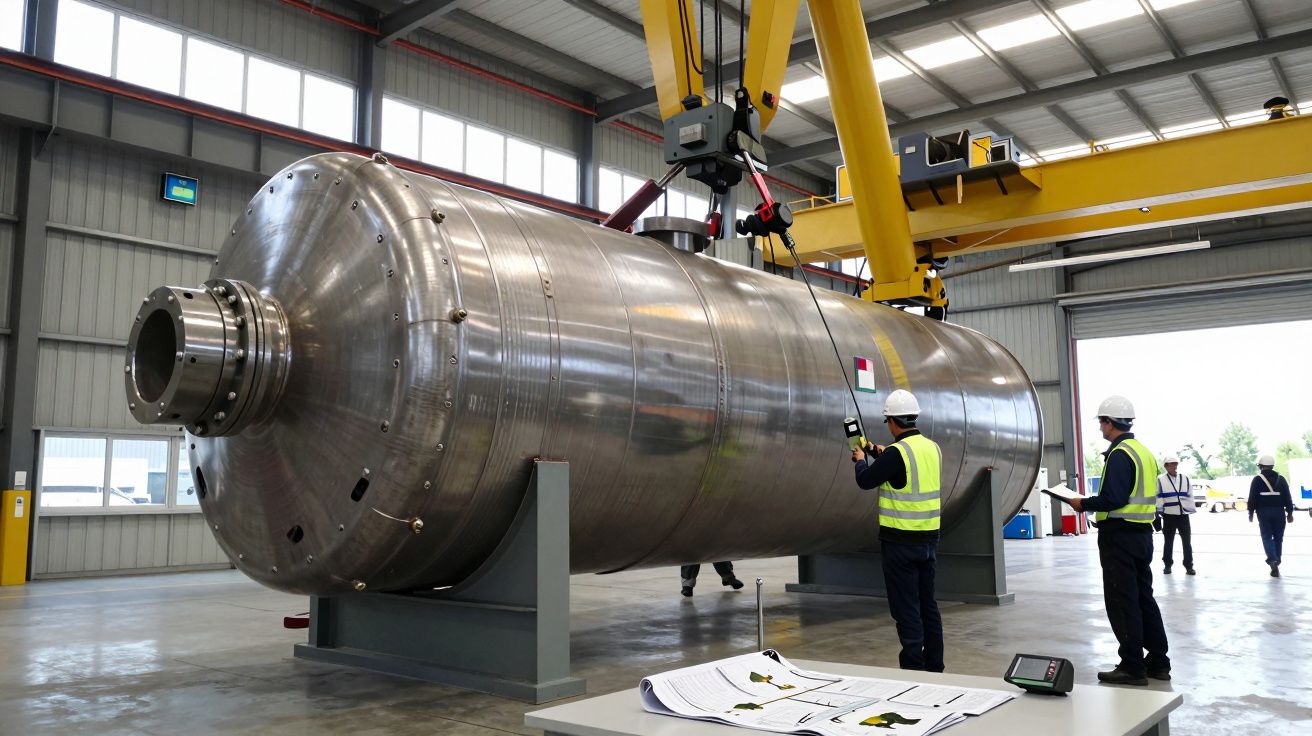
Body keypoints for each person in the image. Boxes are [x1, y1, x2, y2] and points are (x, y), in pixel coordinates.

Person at [1068, 395, 1169, 686]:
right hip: (1142, 534)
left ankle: (1132, 666)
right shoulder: (1143, 452)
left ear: (1109, 423)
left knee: (1122, 600)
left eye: (1102, 423)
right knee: (1143, 598)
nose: (1100, 428)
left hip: (1120, 537)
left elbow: (1114, 498)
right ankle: (1158, 662)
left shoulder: (1120, 454)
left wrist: (1082, 504)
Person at [852, 389, 944, 672]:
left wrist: (860, 459)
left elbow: (866, 480)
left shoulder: (896, 453)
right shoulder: (932, 448)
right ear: (913, 418)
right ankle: (935, 666)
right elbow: (902, 468)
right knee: (928, 606)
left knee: (906, 609)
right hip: (929, 541)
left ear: (892, 422)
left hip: (900, 544)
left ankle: (913, 668)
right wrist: (876, 451)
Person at [1248, 455, 1294, 577]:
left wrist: (1250, 512)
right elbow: (1288, 497)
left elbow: (1252, 497)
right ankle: (1277, 560)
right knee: (1278, 538)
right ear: (1272, 466)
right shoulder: (1281, 479)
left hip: (1263, 513)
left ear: (1261, 466)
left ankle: (1272, 560)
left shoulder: (1257, 480)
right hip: (1279, 512)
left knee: (1267, 537)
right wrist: (1290, 513)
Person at [1156, 455, 1195, 576]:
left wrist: (1188, 508)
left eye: (1175, 463)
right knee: (1168, 542)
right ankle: (1167, 565)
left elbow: (1190, 495)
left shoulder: (1185, 478)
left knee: (1187, 542)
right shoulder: (1160, 479)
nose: (1174, 466)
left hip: (1183, 515)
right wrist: (1159, 512)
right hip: (1169, 515)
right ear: (1166, 466)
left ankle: (1189, 566)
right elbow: (1158, 496)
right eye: (1171, 464)